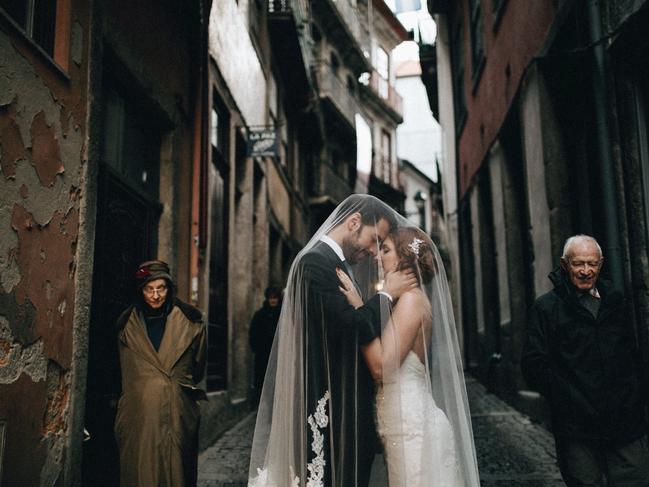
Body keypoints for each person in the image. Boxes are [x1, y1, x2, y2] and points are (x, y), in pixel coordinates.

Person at [248, 194, 418, 487]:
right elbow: (348, 327)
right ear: (353, 223)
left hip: (344, 411)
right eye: (373, 238)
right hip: (326, 410)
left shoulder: (337, 264)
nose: (373, 250)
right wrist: (386, 296)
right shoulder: (314, 264)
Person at [338, 226, 480, 487]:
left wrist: (358, 310)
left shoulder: (411, 302)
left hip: (414, 432)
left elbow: (381, 367)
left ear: (406, 259)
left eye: (386, 250)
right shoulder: (403, 301)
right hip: (402, 428)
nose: (378, 257)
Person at [521, 235, 649, 487]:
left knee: (635, 479)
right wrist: (568, 399)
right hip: (576, 426)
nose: (586, 271)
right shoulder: (547, 308)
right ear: (565, 264)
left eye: (592, 264)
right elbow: (534, 365)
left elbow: (634, 352)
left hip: (625, 421)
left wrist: (636, 395)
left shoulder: (616, 300)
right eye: (578, 264)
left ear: (601, 264)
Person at [114, 260, 207, 487]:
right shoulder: (126, 325)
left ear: (169, 288)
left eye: (161, 288)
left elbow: (198, 368)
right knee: (141, 472)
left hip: (177, 412)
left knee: (176, 473)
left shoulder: (191, 322)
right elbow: (115, 368)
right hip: (139, 413)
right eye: (149, 289)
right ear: (141, 291)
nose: (155, 295)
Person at [249, 286, 282, 406]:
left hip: (279, 356)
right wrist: (258, 349)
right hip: (263, 356)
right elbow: (253, 334)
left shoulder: (283, 314)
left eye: (275, 298)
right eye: (271, 298)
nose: (273, 300)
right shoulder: (259, 315)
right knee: (263, 384)